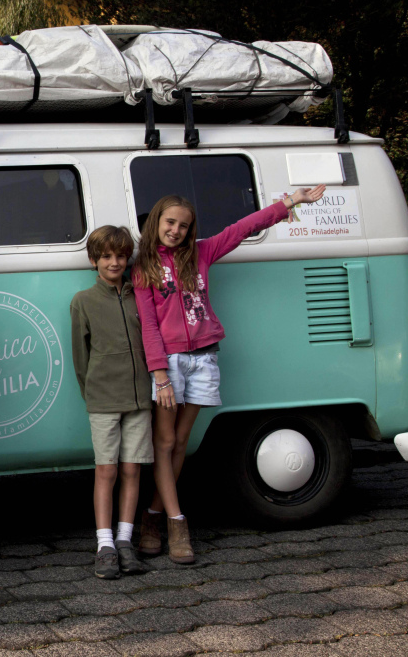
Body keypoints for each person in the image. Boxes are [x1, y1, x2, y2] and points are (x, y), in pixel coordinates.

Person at [134, 184, 327, 563]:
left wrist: (291, 202)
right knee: (165, 442)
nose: (176, 230)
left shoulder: (202, 253)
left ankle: (152, 517)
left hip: (204, 358)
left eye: (184, 226)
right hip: (169, 363)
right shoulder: (145, 267)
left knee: (180, 441)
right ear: (157, 221)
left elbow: (243, 228)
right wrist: (159, 374)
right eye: (170, 222)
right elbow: (148, 327)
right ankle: (176, 523)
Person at [70, 225, 153, 580]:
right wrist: (92, 394)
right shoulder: (83, 301)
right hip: (103, 400)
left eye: (120, 256)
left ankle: (124, 540)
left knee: (133, 469)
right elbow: (80, 357)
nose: (114, 262)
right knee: (107, 470)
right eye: (106, 256)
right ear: (94, 261)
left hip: (140, 398)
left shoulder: (142, 295)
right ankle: (104, 545)